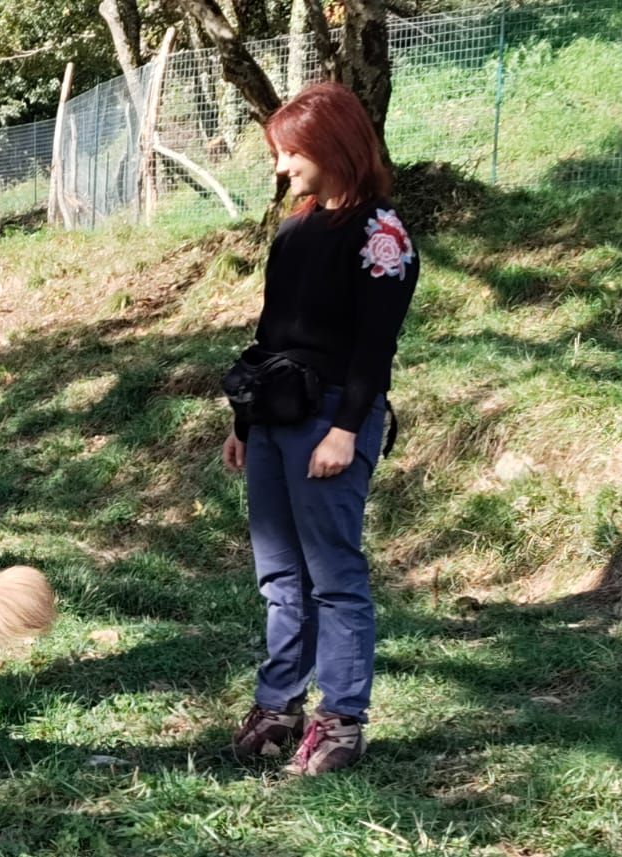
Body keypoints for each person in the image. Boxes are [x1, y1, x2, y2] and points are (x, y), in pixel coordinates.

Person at [221, 82, 418, 776]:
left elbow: (374, 351)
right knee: (279, 574)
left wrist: (345, 429)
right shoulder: (296, 229)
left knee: (333, 575)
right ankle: (278, 706)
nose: (281, 168)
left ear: (331, 148)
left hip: (331, 418)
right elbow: (271, 333)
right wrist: (244, 421)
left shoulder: (381, 237)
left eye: (290, 153)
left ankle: (341, 719)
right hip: (275, 418)